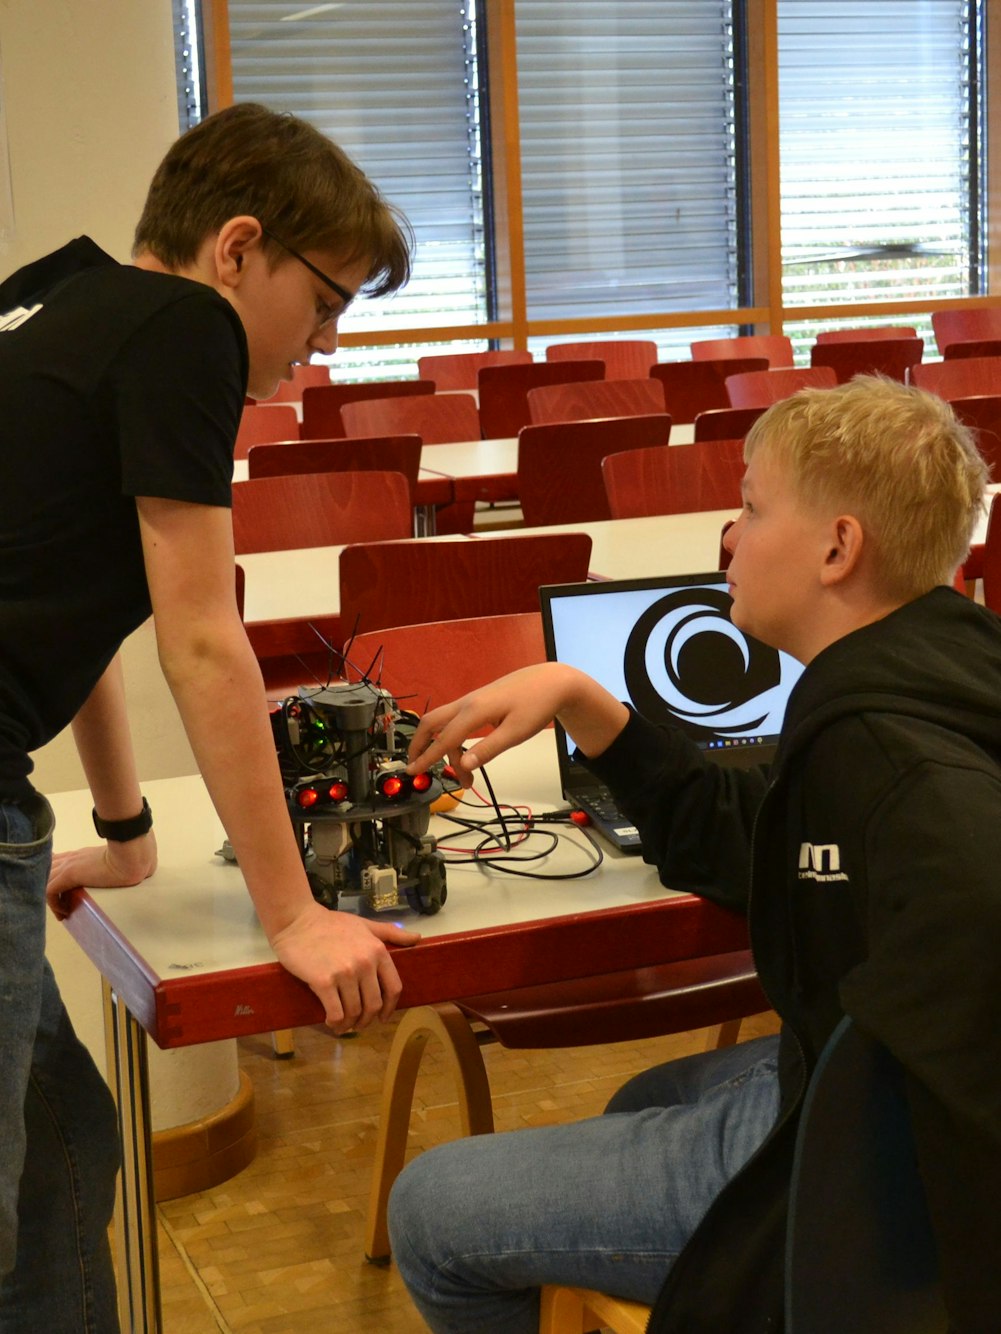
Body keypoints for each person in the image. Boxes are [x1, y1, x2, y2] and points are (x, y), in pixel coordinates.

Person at [390, 375, 1001, 1333]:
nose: (728, 535)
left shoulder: (884, 756)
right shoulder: (935, 669)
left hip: (876, 1185)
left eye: (753, 507)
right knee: (643, 1098)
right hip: (851, 1108)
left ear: (838, 547)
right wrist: (586, 702)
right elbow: (756, 839)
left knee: (429, 1208)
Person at [0, 102, 419, 1330]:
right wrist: (291, 912)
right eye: (327, 301)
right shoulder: (186, 327)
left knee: (62, 1138)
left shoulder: (56, 295)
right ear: (238, 248)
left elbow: (62, 604)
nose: (320, 345)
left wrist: (130, 830)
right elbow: (199, 635)